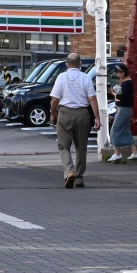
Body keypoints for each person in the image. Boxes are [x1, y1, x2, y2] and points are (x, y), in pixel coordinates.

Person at [49, 53, 99, 188]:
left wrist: (53, 114)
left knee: (63, 146)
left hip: (65, 113)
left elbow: (55, 99)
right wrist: (97, 118)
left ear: (67, 64)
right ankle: (79, 177)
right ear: (80, 64)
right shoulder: (86, 78)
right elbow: (92, 99)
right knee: (81, 147)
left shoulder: (61, 77)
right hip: (82, 114)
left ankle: (69, 171)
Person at [107, 63, 136, 162]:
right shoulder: (125, 82)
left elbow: (124, 96)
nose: (117, 74)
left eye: (118, 72)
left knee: (115, 129)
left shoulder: (127, 83)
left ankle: (117, 153)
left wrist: (115, 94)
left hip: (124, 109)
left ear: (123, 73)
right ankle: (135, 152)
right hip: (124, 108)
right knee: (126, 130)